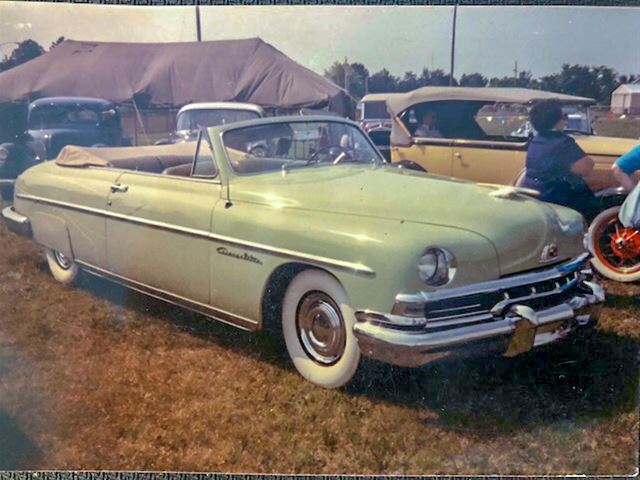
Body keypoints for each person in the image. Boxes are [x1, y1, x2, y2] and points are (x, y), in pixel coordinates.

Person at [521, 99, 598, 221]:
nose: (565, 120)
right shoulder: (563, 142)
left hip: (534, 191)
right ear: (555, 120)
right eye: (563, 117)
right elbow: (586, 168)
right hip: (555, 195)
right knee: (595, 205)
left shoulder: (535, 140)